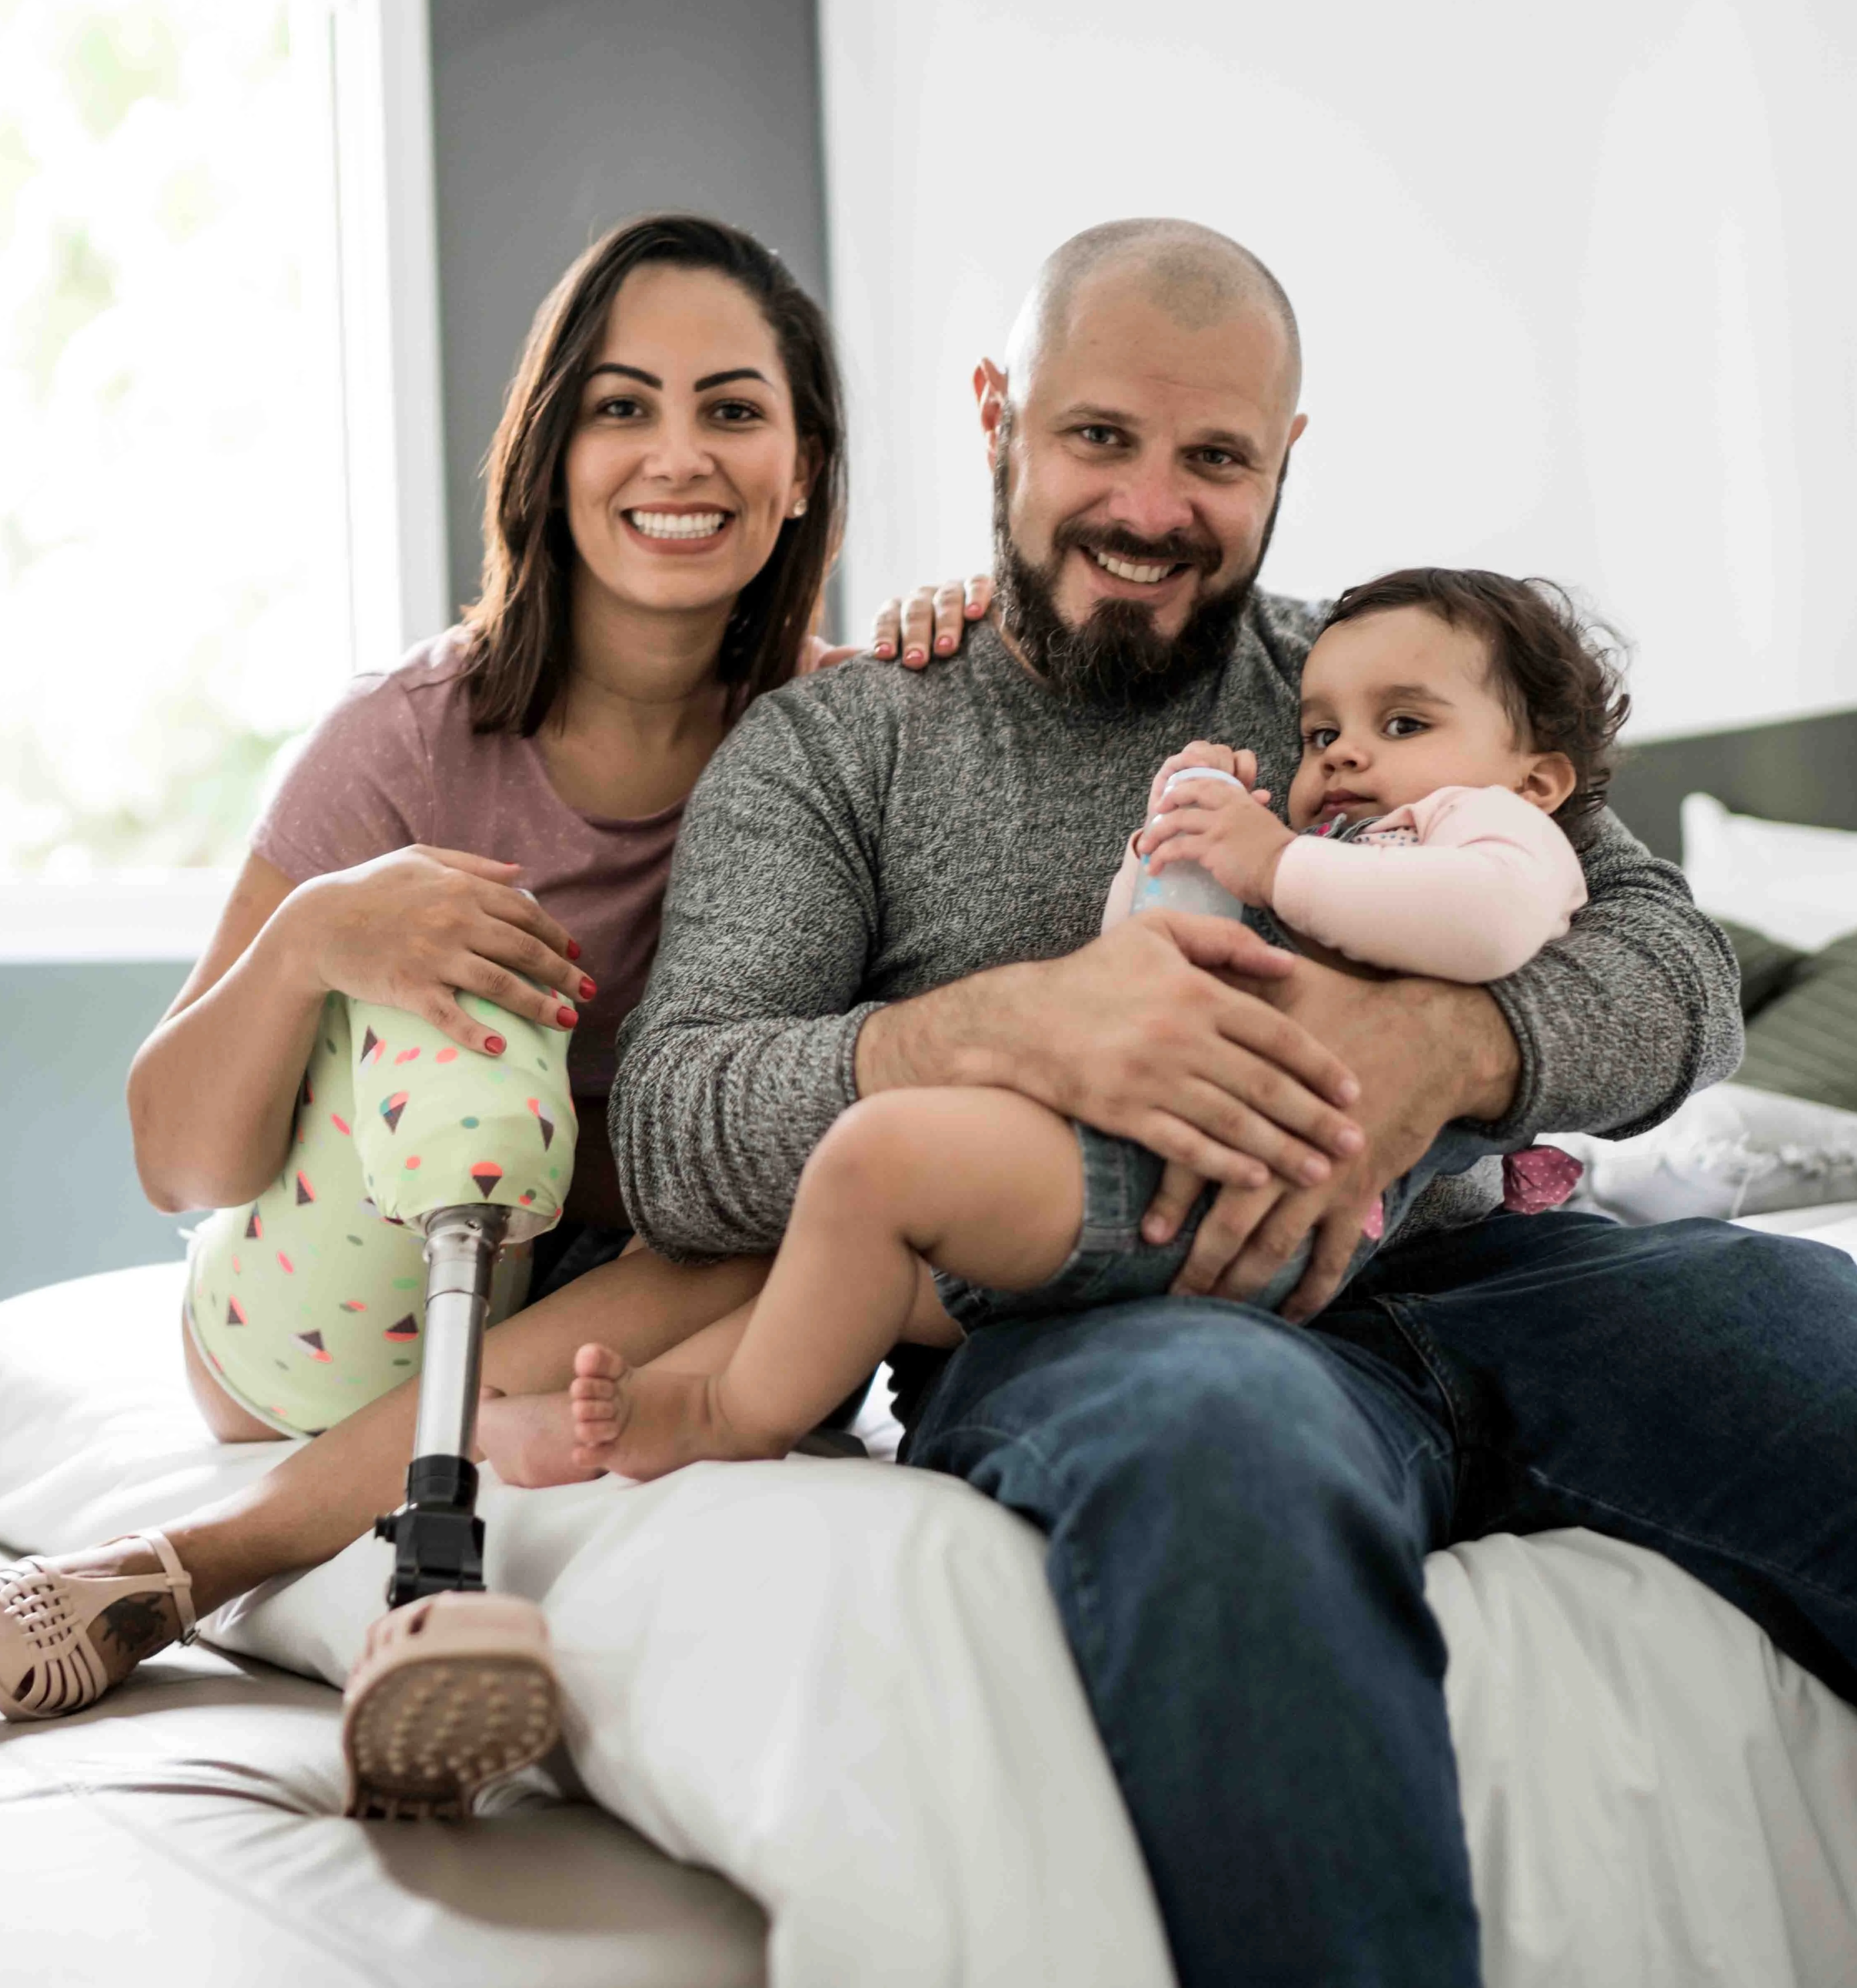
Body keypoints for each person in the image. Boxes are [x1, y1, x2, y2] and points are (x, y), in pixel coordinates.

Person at [609, 217, 1857, 1988]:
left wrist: (1445, 1055)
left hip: (1531, 1275)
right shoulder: (840, 746)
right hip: (1131, 1319)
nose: (1151, 507)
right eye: (1098, 440)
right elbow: (677, 1118)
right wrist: (1009, 1029)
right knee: (1222, 1505)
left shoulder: (1375, 677)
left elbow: (1672, 976)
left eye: (1214, 457)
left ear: (1283, 461)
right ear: (996, 416)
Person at [0, 214, 991, 1804]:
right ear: (550, 450)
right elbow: (177, 1164)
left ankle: (302, 1582)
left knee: (813, 1184)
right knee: (478, 976)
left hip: (628, 1296)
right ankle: (212, 1558)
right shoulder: (409, 736)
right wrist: (312, 941)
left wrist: (973, 659)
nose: (677, 456)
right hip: (337, 1306)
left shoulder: (843, 739)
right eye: (621, 406)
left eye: (733, 409)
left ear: (801, 467)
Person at [558, 567, 1613, 1481]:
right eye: (1321, 732)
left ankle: (730, 1414)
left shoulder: (1487, 830)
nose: (1340, 757)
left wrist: (1276, 862)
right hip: (1165, 1170)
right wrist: (1168, 856)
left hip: (1247, 1194)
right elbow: (1138, 961)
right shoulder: (1346, 844)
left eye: (1402, 725)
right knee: (874, 1269)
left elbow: (1487, 928)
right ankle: (676, 1408)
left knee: (875, 1166)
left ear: (1539, 778)